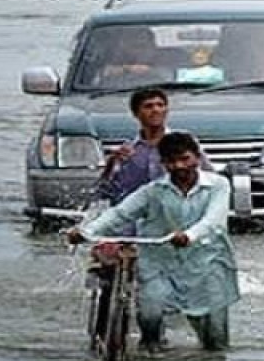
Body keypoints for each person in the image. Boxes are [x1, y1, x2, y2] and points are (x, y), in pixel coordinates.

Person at [67, 132, 240, 353]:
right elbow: (119, 214)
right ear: (164, 163)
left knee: (215, 337)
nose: (179, 166)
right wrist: (85, 232)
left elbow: (213, 221)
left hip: (208, 263)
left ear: (197, 158)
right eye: (171, 161)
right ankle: (150, 348)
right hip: (160, 262)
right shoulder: (153, 191)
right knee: (150, 312)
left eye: (185, 159)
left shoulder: (218, 185)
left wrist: (189, 236)